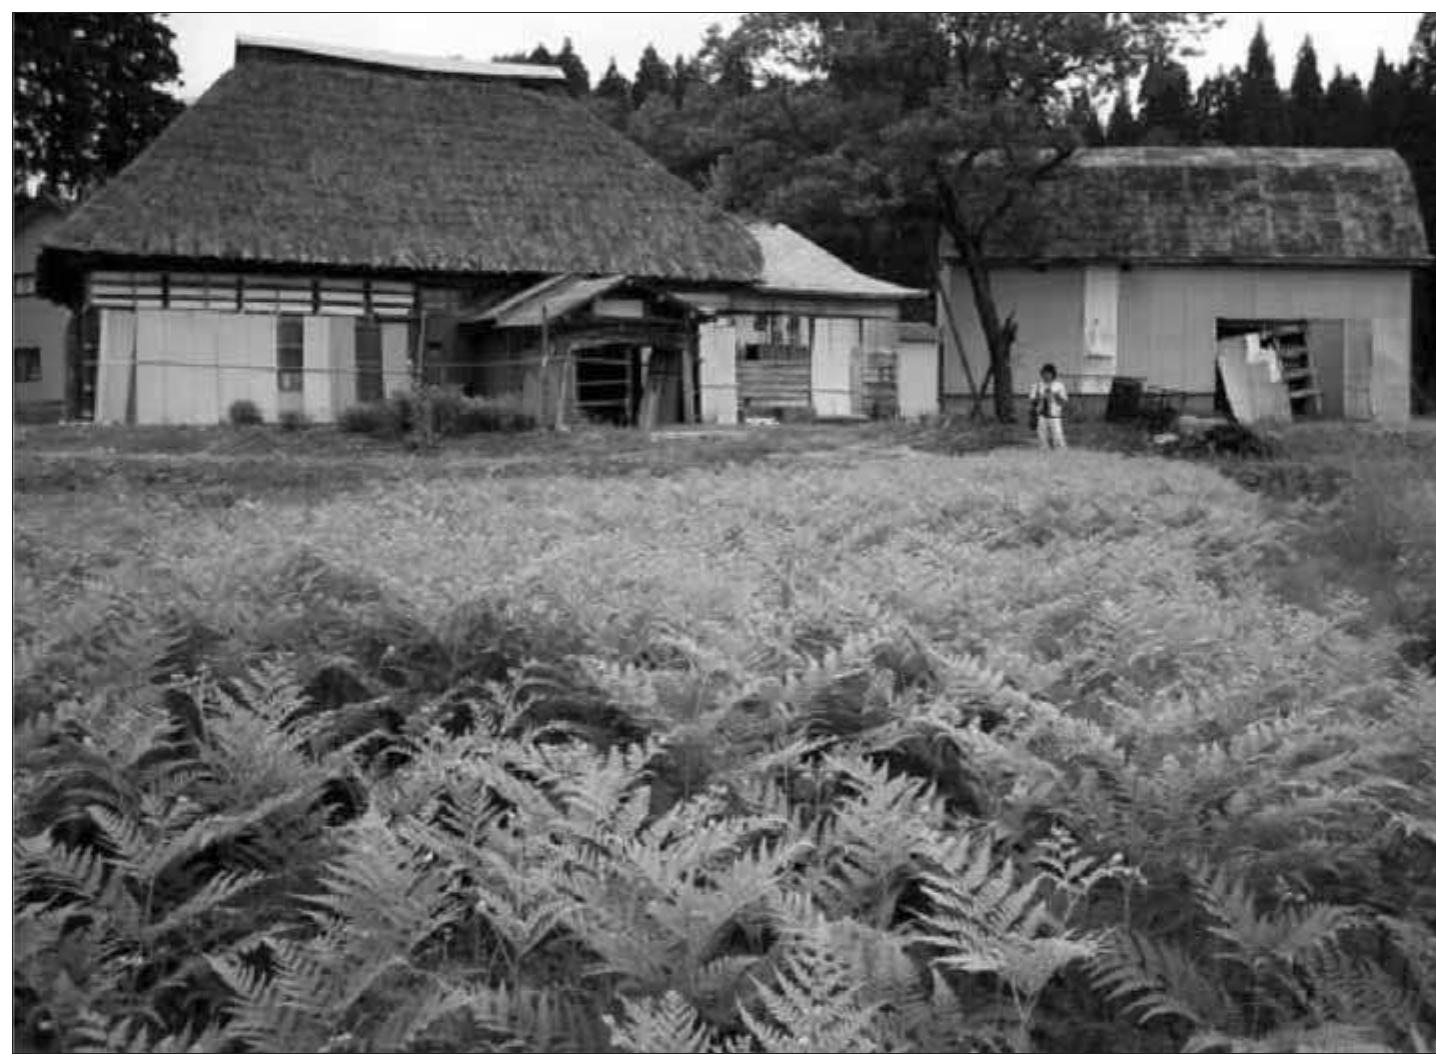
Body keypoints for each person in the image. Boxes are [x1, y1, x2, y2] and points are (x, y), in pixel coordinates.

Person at [1029, 363, 1068, 450]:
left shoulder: (1059, 386)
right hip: (1041, 415)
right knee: (1042, 437)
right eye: (1044, 373)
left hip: (1055, 415)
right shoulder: (1037, 386)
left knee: (1058, 436)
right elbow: (1032, 400)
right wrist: (1040, 397)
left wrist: (1054, 395)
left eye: (1049, 373)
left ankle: (1060, 453)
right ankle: (1045, 453)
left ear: (1053, 374)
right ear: (1042, 374)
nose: (1046, 376)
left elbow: (1063, 401)